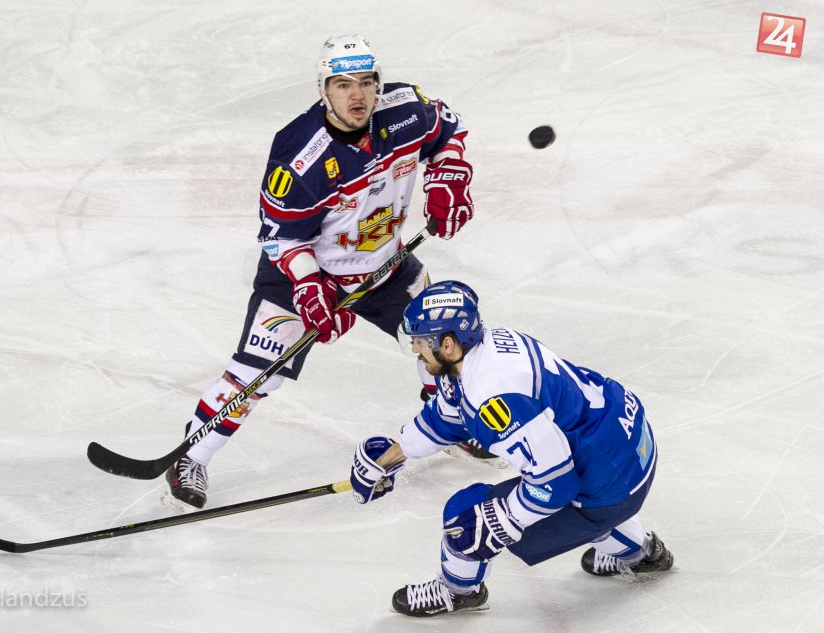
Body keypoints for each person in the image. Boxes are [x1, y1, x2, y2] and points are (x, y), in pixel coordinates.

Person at [167, 35, 476, 510]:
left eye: (366, 83)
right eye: (343, 84)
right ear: (323, 90)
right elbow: (281, 237)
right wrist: (311, 289)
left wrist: (448, 178)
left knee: (444, 342)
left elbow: (448, 129)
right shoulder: (300, 156)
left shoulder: (404, 110)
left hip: (385, 266)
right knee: (257, 375)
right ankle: (192, 455)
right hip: (307, 274)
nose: (357, 95)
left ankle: (453, 424)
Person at [349, 281, 674, 617]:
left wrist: (502, 519)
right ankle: (642, 553)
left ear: (446, 344)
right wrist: (391, 456)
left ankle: (457, 591)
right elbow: (448, 416)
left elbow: (555, 483)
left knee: (467, 517)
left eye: (419, 340)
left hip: (611, 479)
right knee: (582, 500)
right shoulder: (483, 349)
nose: (415, 347)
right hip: (628, 445)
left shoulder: (493, 395)